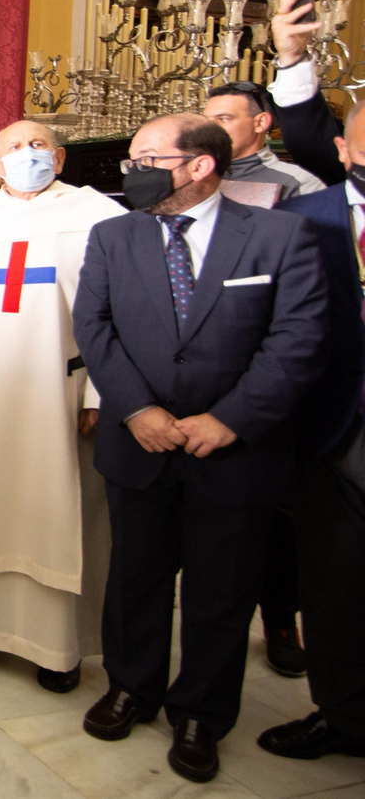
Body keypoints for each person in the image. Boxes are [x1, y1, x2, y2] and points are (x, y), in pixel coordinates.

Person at [73, 113, 327, 784]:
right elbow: (94, 328)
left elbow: (297, 339)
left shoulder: (280, 236)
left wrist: (232, 418)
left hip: (236, 451)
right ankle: (131, 686)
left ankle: (201, 715)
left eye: (147, 157)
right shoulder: (113, 236)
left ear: (200, 164)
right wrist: (137, 409)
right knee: (136, 577)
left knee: (222, 588)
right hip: (140, 443)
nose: (132, 171)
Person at [0, 119, 125, 694]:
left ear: (60, 158)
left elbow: (116, 315)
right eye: (13, 148)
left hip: (59, 395)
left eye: (37, 145)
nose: (26, 156)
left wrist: (97, 392)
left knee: (55, 508)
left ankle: (56, 645)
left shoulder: (99, 218)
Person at [253, 0, 365, 762]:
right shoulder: (307, 218)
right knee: (335, 588)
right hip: (337, 435)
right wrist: (290, 57)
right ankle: (345, 713)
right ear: (346, 145)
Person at [202, 80, 322, 678]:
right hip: (193, 372)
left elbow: (310, 294)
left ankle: (279, 620)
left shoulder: (299, 188)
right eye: (205, 118)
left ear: (263, 124)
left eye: (225, 117)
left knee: (273, 520)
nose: (213, 127)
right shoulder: (191, 181)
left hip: (261, 374)